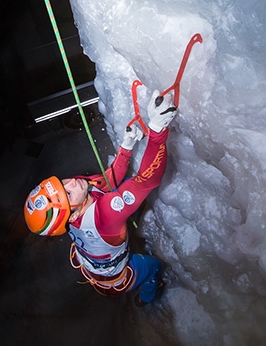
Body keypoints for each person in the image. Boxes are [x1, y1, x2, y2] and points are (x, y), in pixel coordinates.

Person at [23, 89, 177, 304]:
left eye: (61, 182)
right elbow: (147, 180)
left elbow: (107, 181)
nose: (71, 182)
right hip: (118, 279)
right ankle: (146, 296)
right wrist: (157, 131)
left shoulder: (76, 197)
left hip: (97, 268)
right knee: (154, 267)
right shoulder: (105, 216)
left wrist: (127, 146)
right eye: (66, 192)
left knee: (115, 188)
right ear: (72, 212)